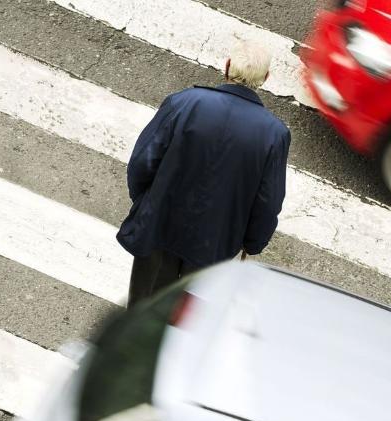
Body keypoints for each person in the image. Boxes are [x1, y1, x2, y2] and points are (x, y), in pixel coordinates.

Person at [116, 40, 291, 307]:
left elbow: (143, 162)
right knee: (190, 318)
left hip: (160, 226)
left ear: (227, 66)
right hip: (215, 247)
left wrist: (146, 204)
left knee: (145, 309)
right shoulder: (274, 134)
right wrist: (253, 243)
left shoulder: (184, 102)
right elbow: (268, 202)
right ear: (266, 78)